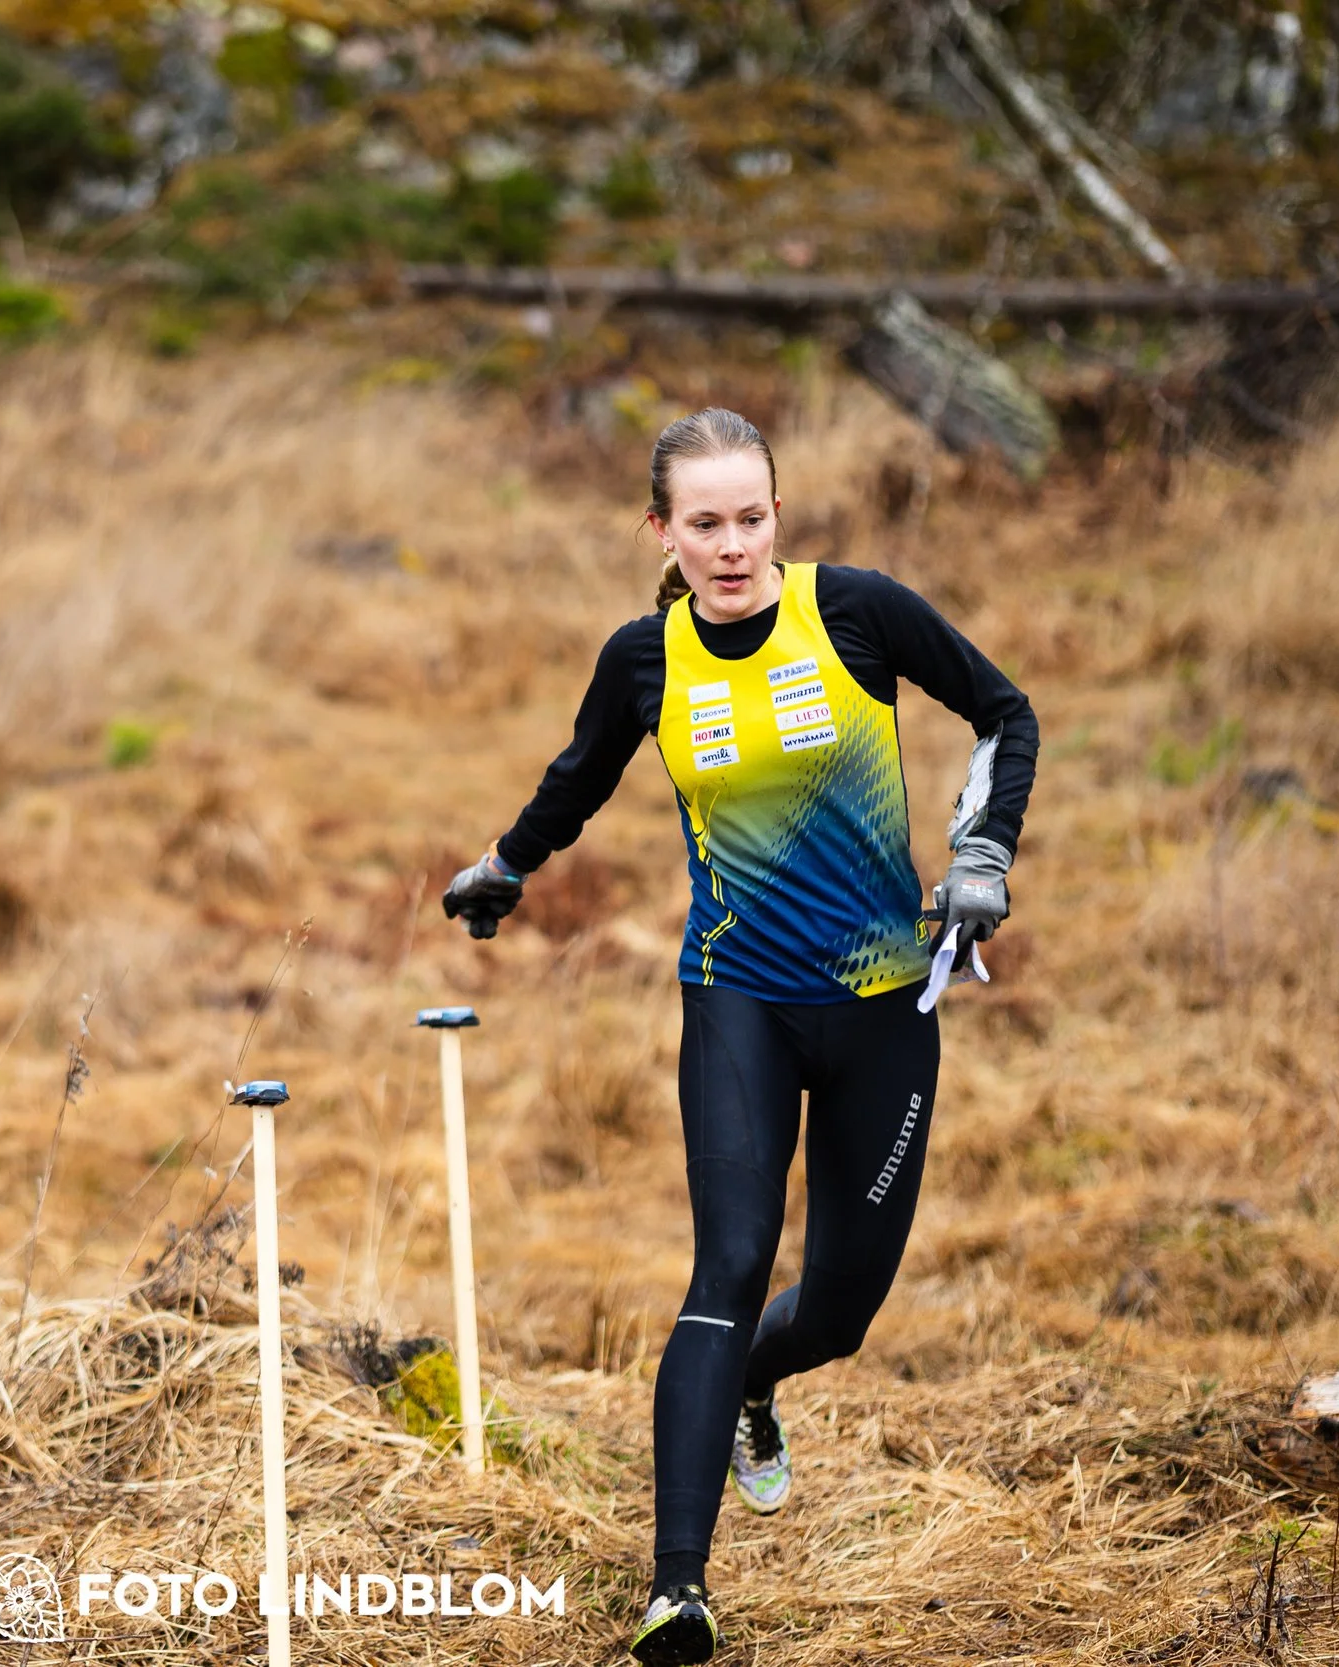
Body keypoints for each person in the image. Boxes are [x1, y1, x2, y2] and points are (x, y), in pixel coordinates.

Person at [440, 409, 1038, 1666]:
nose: (730, 545)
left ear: (777, 511)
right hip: (737, 999)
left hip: (883, 1008)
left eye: (750, 517)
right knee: (726, 1263)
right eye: (702, 522)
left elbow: (1003, 712)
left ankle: (767, 1380)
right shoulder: (645, 659)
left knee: (833, 1308)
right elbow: (580, 775)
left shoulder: (858, 612)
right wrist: (504, 866)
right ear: (660, 529)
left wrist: (982, 850)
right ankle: (678, 1586)